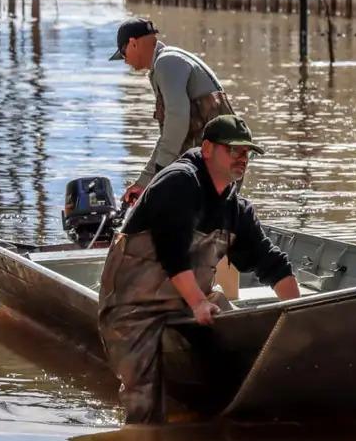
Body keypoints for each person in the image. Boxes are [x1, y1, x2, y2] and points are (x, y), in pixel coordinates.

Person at [98, 114, 301, 425]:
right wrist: (198, 303)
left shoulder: (237, 210)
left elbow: (272, 263)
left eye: (246, 153)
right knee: (145, 403)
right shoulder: (179, 182)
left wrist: (298, 318)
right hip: (133, 307)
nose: (242, 159)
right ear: (207, 149)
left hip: (190, 301)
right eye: (233, 150)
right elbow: (172, 254)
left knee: (237, 356)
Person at [108, 17, 234, 206]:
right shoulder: (169, 61)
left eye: (123, 54)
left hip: (217, 167)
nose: (125, 61)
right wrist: (144, 182)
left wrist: (160, 174)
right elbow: (169, 135)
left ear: (133, 43)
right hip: (214, 165)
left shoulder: (166, 63)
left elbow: (177, 122)